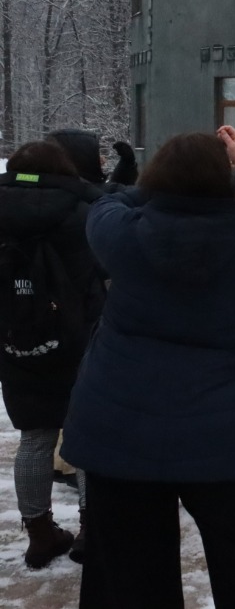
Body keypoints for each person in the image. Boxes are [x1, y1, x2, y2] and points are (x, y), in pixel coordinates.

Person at [61, 126, 235, 608]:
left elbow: (115, 198)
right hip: (228, 435)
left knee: (128, 572)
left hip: (121, 430)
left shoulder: (118, 236)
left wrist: (167, 178)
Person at [0, 141, 103, 568]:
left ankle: (40, 535)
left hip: (15, 339)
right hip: (80, 338)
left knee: (35, 437)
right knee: (87, 437)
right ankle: (90, 531)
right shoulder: (85, 212)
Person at [46, 129, 137, 191]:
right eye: (95, 155)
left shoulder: (51, 187)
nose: (103, 161)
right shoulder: (85, 193)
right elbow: (119, 197)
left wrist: (125, 167)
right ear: (82, 157)